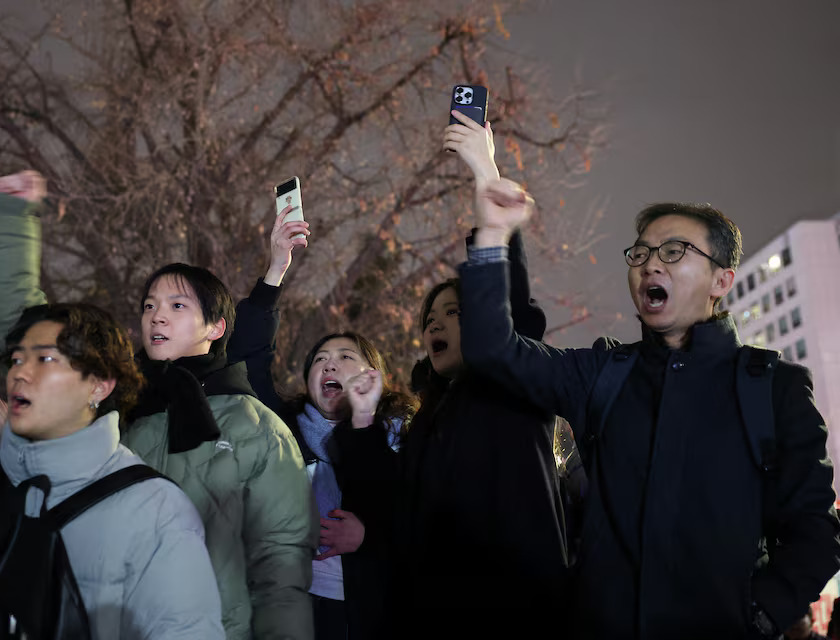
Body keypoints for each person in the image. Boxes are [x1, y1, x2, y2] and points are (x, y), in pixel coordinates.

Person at [457, 178, 840, 638]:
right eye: (639, 254)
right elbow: (493, 352)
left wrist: (757, 616)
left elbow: (817, 533)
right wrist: (492, 236)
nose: (650, 264)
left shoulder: (775, 388)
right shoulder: (603, 373)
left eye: (674, 252)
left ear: (722, 280)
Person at [0, 172, 317, 640]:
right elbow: (29, 337)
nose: (156, 314)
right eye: (149, 304)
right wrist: (13, 220)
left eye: (177, 306)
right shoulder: (110, 403)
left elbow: (280, 573)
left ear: (215, 328)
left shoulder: (256, 427)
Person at [334, 110, 570, 638]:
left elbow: (510, 306)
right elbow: (401, 516)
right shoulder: (426, 423)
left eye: (455, 312)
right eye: (429, 319)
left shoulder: (512, 386)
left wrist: (485, 174)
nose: (435, 324)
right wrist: (366, 417)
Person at [0, 302, 225, 639]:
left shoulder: (155, 511)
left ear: (99, 385)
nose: (20, 373)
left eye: (45, 359)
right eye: (16, 359)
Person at [228, 204, 418, 639]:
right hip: (288, 607)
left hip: (367, 613)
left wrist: (369, 538)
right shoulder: (283, 430)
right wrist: (276, 269)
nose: (329, 366)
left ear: (373, 377)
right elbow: (245, 360)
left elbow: (424, 526)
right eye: (320, 361)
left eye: (345, 357)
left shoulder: (402, 438)